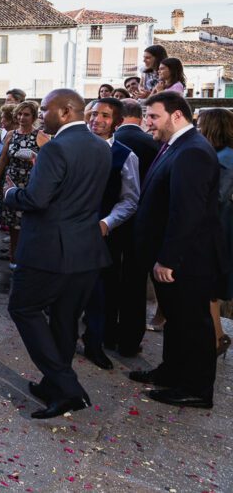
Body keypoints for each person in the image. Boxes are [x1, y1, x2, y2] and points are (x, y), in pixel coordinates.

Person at [2, 89, 111, 419]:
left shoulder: (55, 148)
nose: (40, 115)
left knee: (23, 308)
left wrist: (9, 192)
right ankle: (54, 384)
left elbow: (36, 199)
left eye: (46, 109)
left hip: (49, 251)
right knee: (65, 320)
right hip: (86, 250)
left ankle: (67, 386)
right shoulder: (101, 145)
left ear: (65, 112)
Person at [129, 92, 227, 409]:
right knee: (176, 318)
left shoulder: (193, 152)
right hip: (172, 254)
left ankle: (196, 389)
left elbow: (188, 212)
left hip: (186, 259)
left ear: (177, 116)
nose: (148, 123)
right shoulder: (178, 146)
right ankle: (171, 372)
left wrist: (168, 258)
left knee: (193, 324)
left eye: (153, 117)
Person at [81, 97, 140, 372]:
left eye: (104, 115)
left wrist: (107, 222)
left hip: (103, 235)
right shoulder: (72, 146)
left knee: (100, 293)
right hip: (69, 231)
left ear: (116, 122)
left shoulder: (126, 155)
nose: (97, 119)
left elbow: (130, 199)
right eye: (93, 113)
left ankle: (94, 344)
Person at [114, 98, 163, 353]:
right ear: (140, 116)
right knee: (134, 285)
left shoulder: (109, 142)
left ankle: (106, 333)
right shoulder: (153, 143)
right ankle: (130, 341)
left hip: (110, 223)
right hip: (142, 225)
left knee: (109, 278)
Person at [197, 108, 233, 358]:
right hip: (220, 228)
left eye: (200, 125)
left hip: (220, 230)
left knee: (209, 288)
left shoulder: (224, 159)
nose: (197, 129)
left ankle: (215, 339)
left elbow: (217, 197)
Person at [0, 100, 39, 266]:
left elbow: (48, 161)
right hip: (11, 180)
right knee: (12, 222)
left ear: (33, 116)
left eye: (26, 114)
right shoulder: (11, 134)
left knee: (28, 221)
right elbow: (3, 159)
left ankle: (27, 256)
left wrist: (34, 156)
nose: (21, 117)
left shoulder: (41, 135)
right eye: (19, 114)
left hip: (30, 181)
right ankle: (14, 256)